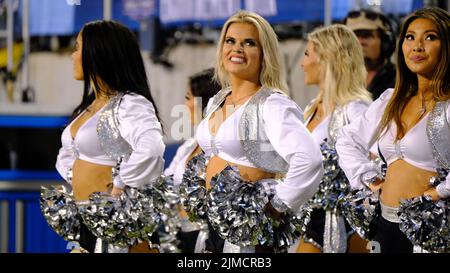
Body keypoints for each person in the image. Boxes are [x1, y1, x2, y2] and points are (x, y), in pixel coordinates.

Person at [184, 10, 323, 253]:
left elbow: (309, 160)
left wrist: (280, 203)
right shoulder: (217, 100)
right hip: (214, 228)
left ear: (263, 53)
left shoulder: (272, 103)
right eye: (231, 41)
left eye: (249, 43)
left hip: (247, 234)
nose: (237, 49)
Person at [336, 7, 450, 253]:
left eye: (430, 37)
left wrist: (439, 192)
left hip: (432, 232)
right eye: (410, 37)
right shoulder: (391, 100)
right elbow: (347, 139)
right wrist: (369, 178)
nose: (417, 46)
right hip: (385, 225)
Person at [53, 20, 165, 253]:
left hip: (116, 230)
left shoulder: (129, 103)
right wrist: (77, 175)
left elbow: (151, 148)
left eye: (77, 48)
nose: (72, 56)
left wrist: (120, 184)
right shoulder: (91, 106)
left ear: (97, 52)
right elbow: (68, 153)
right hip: (88, 224)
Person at [296, 24, 372, 253]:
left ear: (327, 59)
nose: (302, 63)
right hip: (310, 219)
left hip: (348, 224)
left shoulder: (356, 110)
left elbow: (374, 169)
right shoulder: (310, 109)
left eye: (308, 53)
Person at [163, 68, 221, 253]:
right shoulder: (188, 146)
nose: (184, 104)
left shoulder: (221, 149)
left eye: (188, 98)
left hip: (208, 240)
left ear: (204, 102)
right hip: (180, 236)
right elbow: (166, 183)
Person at [344, 9, 397, 100]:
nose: (359, 42)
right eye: (354, 37)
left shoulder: (399, 81)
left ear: (385, 44)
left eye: (366, 36)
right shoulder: (340, 80)